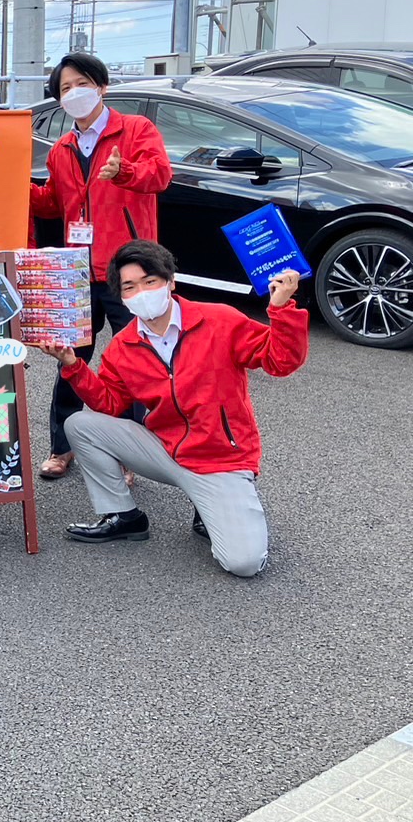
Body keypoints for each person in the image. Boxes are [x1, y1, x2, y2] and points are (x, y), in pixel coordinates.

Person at [40, 240, 308, 577]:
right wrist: (73, 366)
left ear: (170, 282)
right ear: (121, 297)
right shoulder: (124, 346)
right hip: (166, 451)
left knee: (244, 563)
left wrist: (281, 310)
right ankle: (124, 517)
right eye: (130, 286)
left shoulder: (219, 320)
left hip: (220, 460)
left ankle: (216, 506)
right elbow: (109, 402)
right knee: (80, 425)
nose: (141, 291)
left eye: (149, 282)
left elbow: (280, 361)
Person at [30, 51, 172, 480]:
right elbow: (54, 203)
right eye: (65, 88)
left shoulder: (136, 129)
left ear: (102, 86)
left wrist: (123, 170)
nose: (74, 93)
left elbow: (159, 174)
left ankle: (131, 453)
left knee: (133, 360)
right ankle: (62, 446)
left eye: (82, 83)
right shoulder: (62, 148)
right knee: (71, 359)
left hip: (127, 268)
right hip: (75, 270)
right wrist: (14, 187)